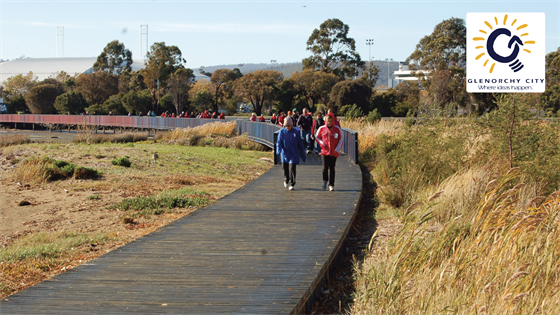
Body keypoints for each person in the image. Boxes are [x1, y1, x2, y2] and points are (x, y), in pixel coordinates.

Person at [276, 116, 306, 190]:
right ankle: (286, 179)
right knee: (285, 169)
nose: (287, 127)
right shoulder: (282, 132)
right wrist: (278, 150)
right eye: (286, 125)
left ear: (291, 125)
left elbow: (300, 144)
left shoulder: (296, 132)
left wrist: (303, 154)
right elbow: (279, 142)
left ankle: (292, 183)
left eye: (289, 125)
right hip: (285, 153)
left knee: (292, 167)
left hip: (293, 153)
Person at [315, 113, 343, 191]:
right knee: (325, 168)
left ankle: (331, 184)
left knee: (332, 168)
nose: (329, 123)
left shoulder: (337, 129)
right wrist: (321, 143)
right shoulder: (322, 128)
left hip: (334, 152)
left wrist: (337, 149)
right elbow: (316, 136)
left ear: (333, 121)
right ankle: (325, 181)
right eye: (328, 121)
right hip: (325, 151)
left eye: (330, 121)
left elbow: (341, 138)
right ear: (325, 121)